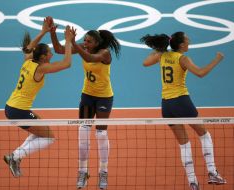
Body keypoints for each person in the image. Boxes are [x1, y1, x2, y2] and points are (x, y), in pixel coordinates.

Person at [140, 32, 226, 190]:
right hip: (182, 102)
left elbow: (145, 62)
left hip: (166, 106)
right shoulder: (183, 58)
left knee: (184, 144)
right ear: (181, 45)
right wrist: (217, 60)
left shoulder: (162, 56)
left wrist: (159, 50)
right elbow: (200, 73)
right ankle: (212, 172)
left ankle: (193, 182)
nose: (189, 41)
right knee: (204, 134)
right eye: (187, 40)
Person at [49, 17, 121, 189]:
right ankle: (82, 172)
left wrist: (73, 42)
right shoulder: (84, 48)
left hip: (104, 97)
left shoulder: (104, 53)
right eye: (85, 41)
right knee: (83, 133)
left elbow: (89, 58)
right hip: (87, 96)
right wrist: (53, 34)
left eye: (88, 41)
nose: (85, 43)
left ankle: (103, 173)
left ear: (96, 42)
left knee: (101, 134)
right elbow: (59, 50)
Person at [3, 17, 74, 177]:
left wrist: (44, 31)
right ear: (43, 57)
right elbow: (67, 63)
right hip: (19, 111)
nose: (51, 53)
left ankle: (15, 156)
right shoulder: (41, 69)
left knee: (41, 131)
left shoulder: (28, 61)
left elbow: (28, 47)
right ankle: (15, 157)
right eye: (49, 52)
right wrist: (68, 41)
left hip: (11, 107)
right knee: (49, 138)